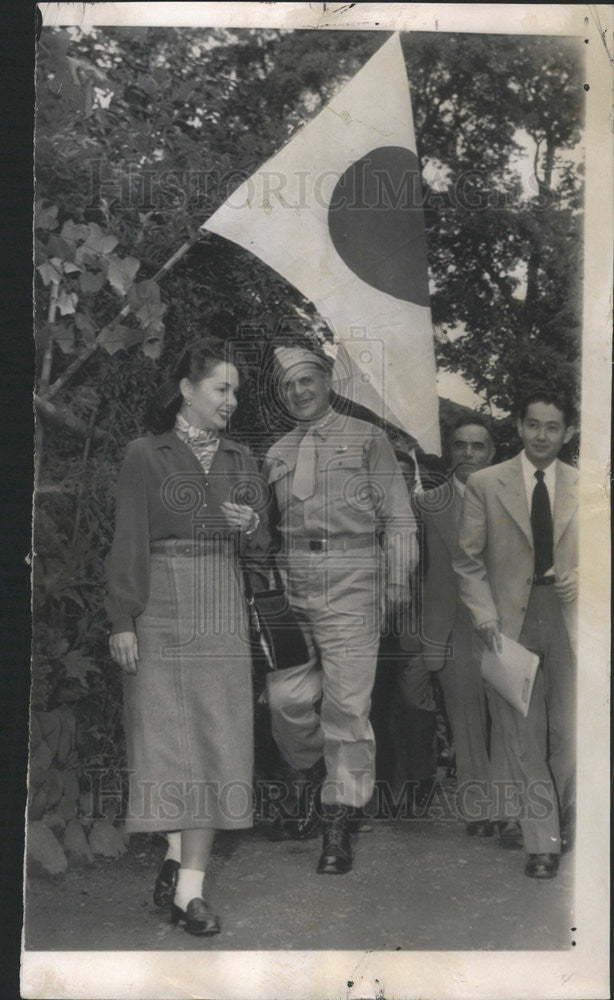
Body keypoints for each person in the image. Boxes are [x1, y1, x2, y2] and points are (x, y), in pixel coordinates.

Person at [106, 337, 269, 934]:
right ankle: (176, 861)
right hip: (160, 605)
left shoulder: (241, 459)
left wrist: (250, 524)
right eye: (222, 389)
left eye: (235, 393)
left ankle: (190, 891)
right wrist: (122, 620)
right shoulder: (145, 454)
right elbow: (128, 539)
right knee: (170, 746)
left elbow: (260, 543)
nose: (231, 401)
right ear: (187, 389)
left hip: (220, 604)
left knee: (216, 740)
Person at [263, 345, 417, 874]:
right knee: (284, 698)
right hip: (292, 585)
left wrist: (396, 582)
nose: (300, 392)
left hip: (353, 580)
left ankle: (339, 815)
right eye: (288, 386)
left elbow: (398, 518)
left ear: (326, 380)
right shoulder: (278, 451)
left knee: (347, 708)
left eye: (307, 380)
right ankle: (311, 777)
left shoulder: (367, 440)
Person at [453, 388, 578, 879]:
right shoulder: (487, 483)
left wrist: (585, 576)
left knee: (568, 731)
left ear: (566, 433)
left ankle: (561, 814)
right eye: (532, 425)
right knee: (521, 735)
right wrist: (484, 615)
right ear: (519, 426)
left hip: (566, 615)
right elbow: (467, 560)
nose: (541, 436)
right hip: (509, 619)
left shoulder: (585, 484)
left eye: (552, 427)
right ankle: (541, 839)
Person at [417, 415, 508, 837]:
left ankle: (508, 802)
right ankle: (479, 807)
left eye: (478, 446)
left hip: (506, 623)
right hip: (453, 624)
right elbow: (423, 571)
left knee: (507, 713)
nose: (468, 453)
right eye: (460, 445)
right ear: (450, 451)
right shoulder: (428, 503)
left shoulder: (511, 498)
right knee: (466, 718)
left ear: (492, 452)